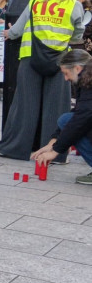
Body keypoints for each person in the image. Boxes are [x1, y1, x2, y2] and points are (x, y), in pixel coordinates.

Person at [0, 0, 84, 161]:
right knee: (56, 108)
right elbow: (77, 35)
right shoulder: (74, 5)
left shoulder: (35, 2)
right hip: (60, 62)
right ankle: (55, 154)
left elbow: (17, 29)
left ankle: (14, 149)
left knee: (25, 106)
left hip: (31, 58)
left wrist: (9, 33)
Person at [32, 50, 92, 184]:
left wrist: (56, 151)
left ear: (77, 68)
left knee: (68, 121)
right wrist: (53, 142)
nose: (65, 79)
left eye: (66, 73)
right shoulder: (86, 79)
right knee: (66, 119)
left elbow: (81, 119)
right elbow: (78, 113)